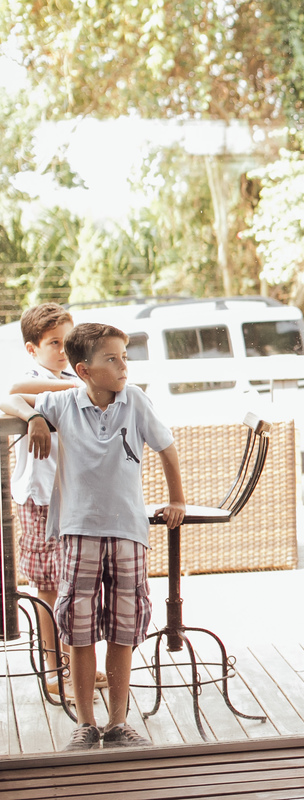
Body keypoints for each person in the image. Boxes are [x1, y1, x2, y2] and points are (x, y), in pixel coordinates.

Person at [2, 322, 186, 750]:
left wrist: (177, 499)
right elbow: (8, 396)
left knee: (124, 629)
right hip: (78, 534)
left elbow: (167, 447)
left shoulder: (135, 400)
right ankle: (85, 724)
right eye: (113, 359)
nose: (124, 367)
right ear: (83, 371)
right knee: (78, 630)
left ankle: (118, 722)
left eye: (125, 357)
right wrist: (34, 418)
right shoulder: (63, 403)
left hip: (127, 533)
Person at [7, 303, 109, 700]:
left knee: (75, 584)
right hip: (40, 498)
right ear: (33, 349)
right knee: (47, 588)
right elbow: (14, 393)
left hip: (73, 496)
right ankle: (54, 669)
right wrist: (37, 417)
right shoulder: (36, 378)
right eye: (53, 344)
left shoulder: (71, 375)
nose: (63, 350)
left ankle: (76, 663)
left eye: (67, 342)